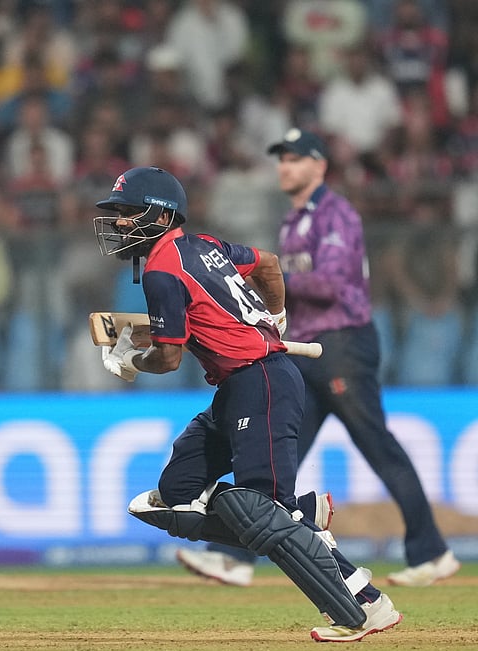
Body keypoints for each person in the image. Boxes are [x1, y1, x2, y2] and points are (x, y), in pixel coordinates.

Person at [96, 165, 402, 642]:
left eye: (127, 213)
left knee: (265, 510)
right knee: (173, 494)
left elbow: (169, 358)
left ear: (160, 216)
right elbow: (269, 264)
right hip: (241, 386)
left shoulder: (161, 269)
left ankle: (364, 606)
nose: (118, 223)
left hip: (261, 383)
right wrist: (276, 316)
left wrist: (132, 360)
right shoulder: (205, 246)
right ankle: (303, 515)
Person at [176, 129, 460, 587]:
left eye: (295, 158)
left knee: (377, 446)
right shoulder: (293, 222)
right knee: (274, 450)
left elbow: (329, 283)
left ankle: (433, 552)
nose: (285, 166)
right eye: (282, 159)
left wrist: (268, 279)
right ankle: (234, 556)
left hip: (342, 345)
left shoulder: (335, 214)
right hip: (309, 351)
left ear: (320, 166)